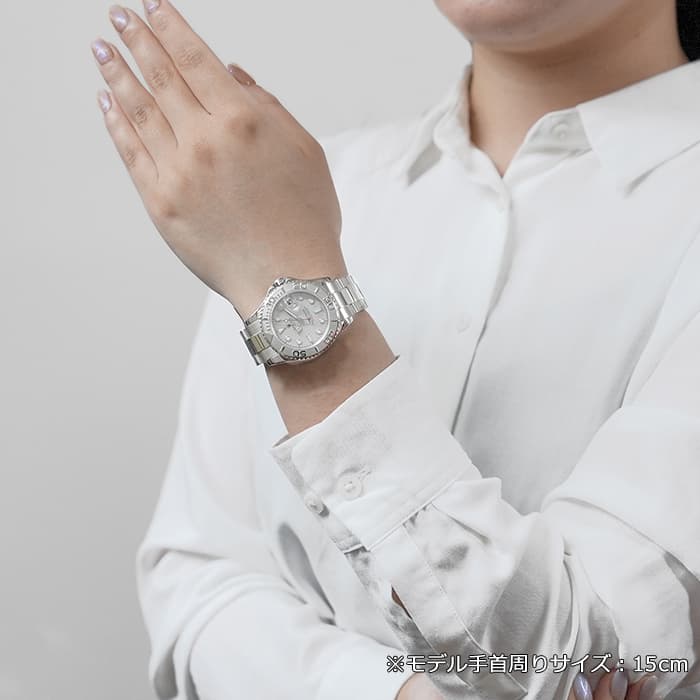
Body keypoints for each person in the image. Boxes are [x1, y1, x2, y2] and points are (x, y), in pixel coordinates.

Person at [90, 0, 700, 698]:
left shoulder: (280, 223)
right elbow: (197, 582)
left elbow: (592, 667)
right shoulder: (293, 189)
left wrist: (296, 291)